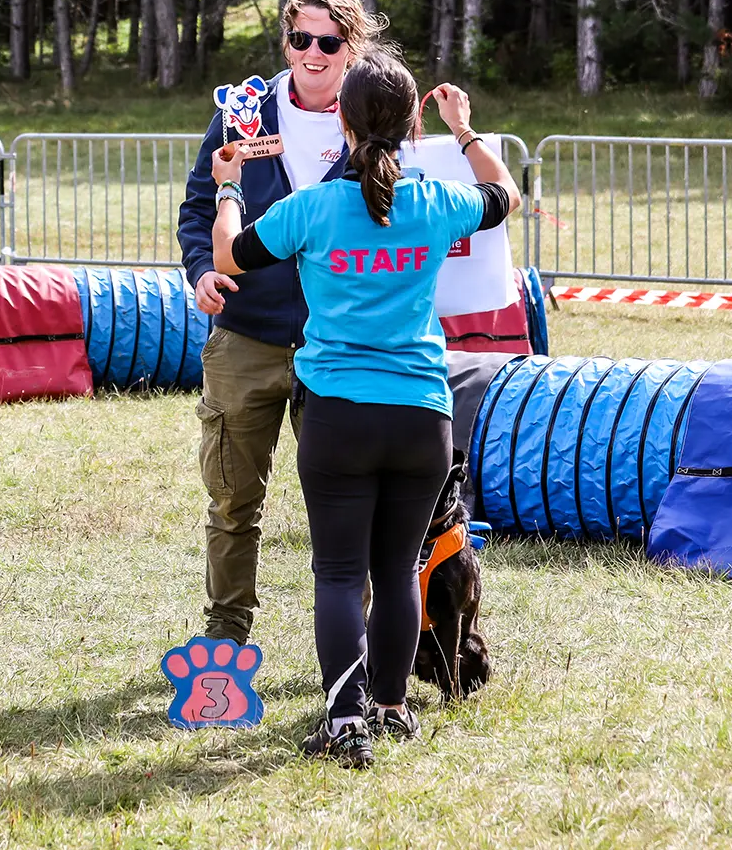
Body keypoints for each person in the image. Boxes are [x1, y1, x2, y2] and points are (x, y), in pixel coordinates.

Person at [207, 51, 522, 767]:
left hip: (339, 415)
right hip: (421, 416)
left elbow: (228, 257)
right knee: (398, 566)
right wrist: (466, 130)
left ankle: (345, 720)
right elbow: (504, 195)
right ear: (414, 124)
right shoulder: (438, 200)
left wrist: (228, 186)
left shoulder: (313, 209)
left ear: (342, 122)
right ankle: (392, 707)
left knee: (341, 575)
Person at [176, 0, 381, 646]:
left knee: (351, 505)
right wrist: (202, 270)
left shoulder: (373, 113)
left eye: (328, 40)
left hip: (340, 344)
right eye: (301, 38)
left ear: (351, 46)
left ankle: (362, 636)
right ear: (286, 38)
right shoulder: (242, 110)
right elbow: (198, 207)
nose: (313, 53)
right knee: (234, 499)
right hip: (246, 337)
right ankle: (225, 637)